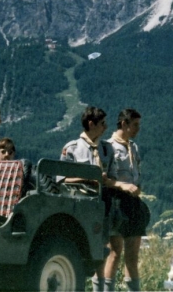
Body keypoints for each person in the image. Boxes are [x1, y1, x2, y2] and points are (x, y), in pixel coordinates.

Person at [60, 106, 125, 292]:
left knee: (101, 249)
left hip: (101, 204)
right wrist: (86, 178)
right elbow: (62, 179)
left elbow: (113, 177)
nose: (105, 127)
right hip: (79, 204)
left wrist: (107, 180)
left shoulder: (107, 149)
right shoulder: (72, 148)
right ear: (91, 124)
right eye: (102, 123)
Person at [104, 108, 150, 292]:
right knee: (114, 252)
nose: (138, 129)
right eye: (135, 125)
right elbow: (104, 178)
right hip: (116, 201)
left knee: (132, 256)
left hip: (133, 202)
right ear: (124, 123)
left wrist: (137, 187)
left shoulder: (133, 147)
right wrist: (122, 186)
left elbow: (136, 172)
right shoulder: (108, 146)